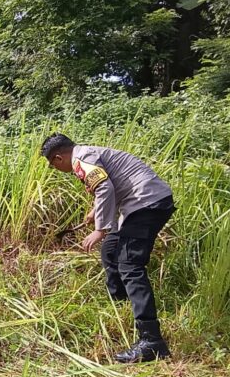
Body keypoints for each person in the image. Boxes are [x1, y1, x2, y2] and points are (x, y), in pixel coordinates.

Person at [41, 133, 175, 364]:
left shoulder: (81, 159)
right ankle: (122, 304)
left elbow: (104, 187)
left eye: (52, 165)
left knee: (130, 265)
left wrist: (100, 229)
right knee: (111, 250)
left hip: (146, 203)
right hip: (144, 202)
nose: (55, 169)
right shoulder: (87, 154)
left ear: (58, 158)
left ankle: (152, 341)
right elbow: (110, 183)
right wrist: (95, 212)